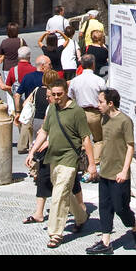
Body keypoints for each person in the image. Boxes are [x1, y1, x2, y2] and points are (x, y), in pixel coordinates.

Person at [26, 76, 95, 248]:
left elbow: (85, 138)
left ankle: (55, 233)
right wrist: (32, 151)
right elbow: (44, 131)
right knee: (63, 192)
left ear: (66, 93)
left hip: (69, 157)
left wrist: (92, 164)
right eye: (54, 94)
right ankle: (81, 217)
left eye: (59, 94)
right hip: (53, 157)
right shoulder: (52, 108)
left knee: (58, 196)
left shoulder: (76, 111)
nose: (56, 97)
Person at [85, 88, 136, 254]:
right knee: (105, 207)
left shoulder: (125, 121)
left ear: (110, 104)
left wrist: (124, 170)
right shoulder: (103, 119)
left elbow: (130, 146)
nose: (98, 105)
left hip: (119, 173)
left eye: (101, 102)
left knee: (121, 208)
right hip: (105, 170)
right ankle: (106, 243)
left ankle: (135, 229)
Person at [68, 54, 107, 160]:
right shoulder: (99, 80)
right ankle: (95, 161)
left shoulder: (75, 81)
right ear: (93, 65)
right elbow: (105, 96)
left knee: (81, 140)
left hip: (79, 113)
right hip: (94, 113)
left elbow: (70, 97)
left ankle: (82, 162)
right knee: (98, 139)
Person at [12, 52, 48, 154]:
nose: (51, 66)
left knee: (26, 127)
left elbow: (17, 95)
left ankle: (23, 146)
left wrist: (18, 111)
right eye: (49, 64)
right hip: (42, 111)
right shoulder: (47, 78)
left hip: (29, 109)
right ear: (43, 66)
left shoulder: (27, 77)